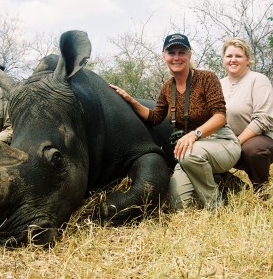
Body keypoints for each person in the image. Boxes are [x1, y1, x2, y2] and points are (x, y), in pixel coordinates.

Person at [110, 33, 241, 209]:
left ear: (189, 55)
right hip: (192, 150)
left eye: (182, 52)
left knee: (188, 154)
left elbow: (220, 116)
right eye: (171, 52)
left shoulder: (206, 78)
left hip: (221, 141)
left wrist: (194, 135)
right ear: (164, 56)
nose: (176, 57)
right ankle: (221, 180)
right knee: (177, 204)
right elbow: (155, 117)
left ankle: (214, 205)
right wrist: (131, 100)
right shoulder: (167, 87)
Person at [221, 38, 273, 190]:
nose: (233, 60)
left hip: (260, 138)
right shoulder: (218, 84)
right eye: (229, 56)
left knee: (253, 150)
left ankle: (261, 189)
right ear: (224, 59)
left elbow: (263, 119)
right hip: (227, 140)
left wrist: (236, 142)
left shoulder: (258, 80)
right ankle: (236, 186)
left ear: (248, 60)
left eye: (238, 56)